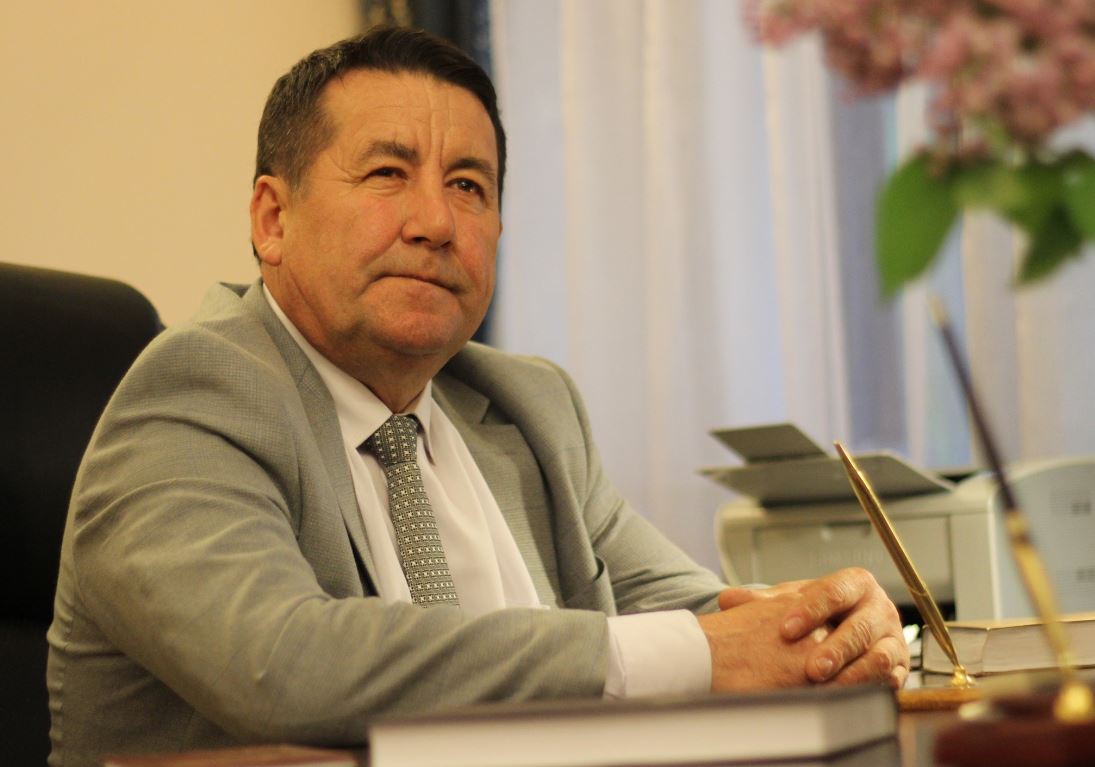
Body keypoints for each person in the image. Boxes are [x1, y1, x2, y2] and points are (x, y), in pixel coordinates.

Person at [46, 26, 908, 767]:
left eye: (468, 186)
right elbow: (282, 663)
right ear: (273, 220)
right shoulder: (195, 393)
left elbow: (698, 616)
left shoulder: (526, 405)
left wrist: (822, 626)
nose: (434, 222)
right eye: (387, 173)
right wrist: (695, 651)